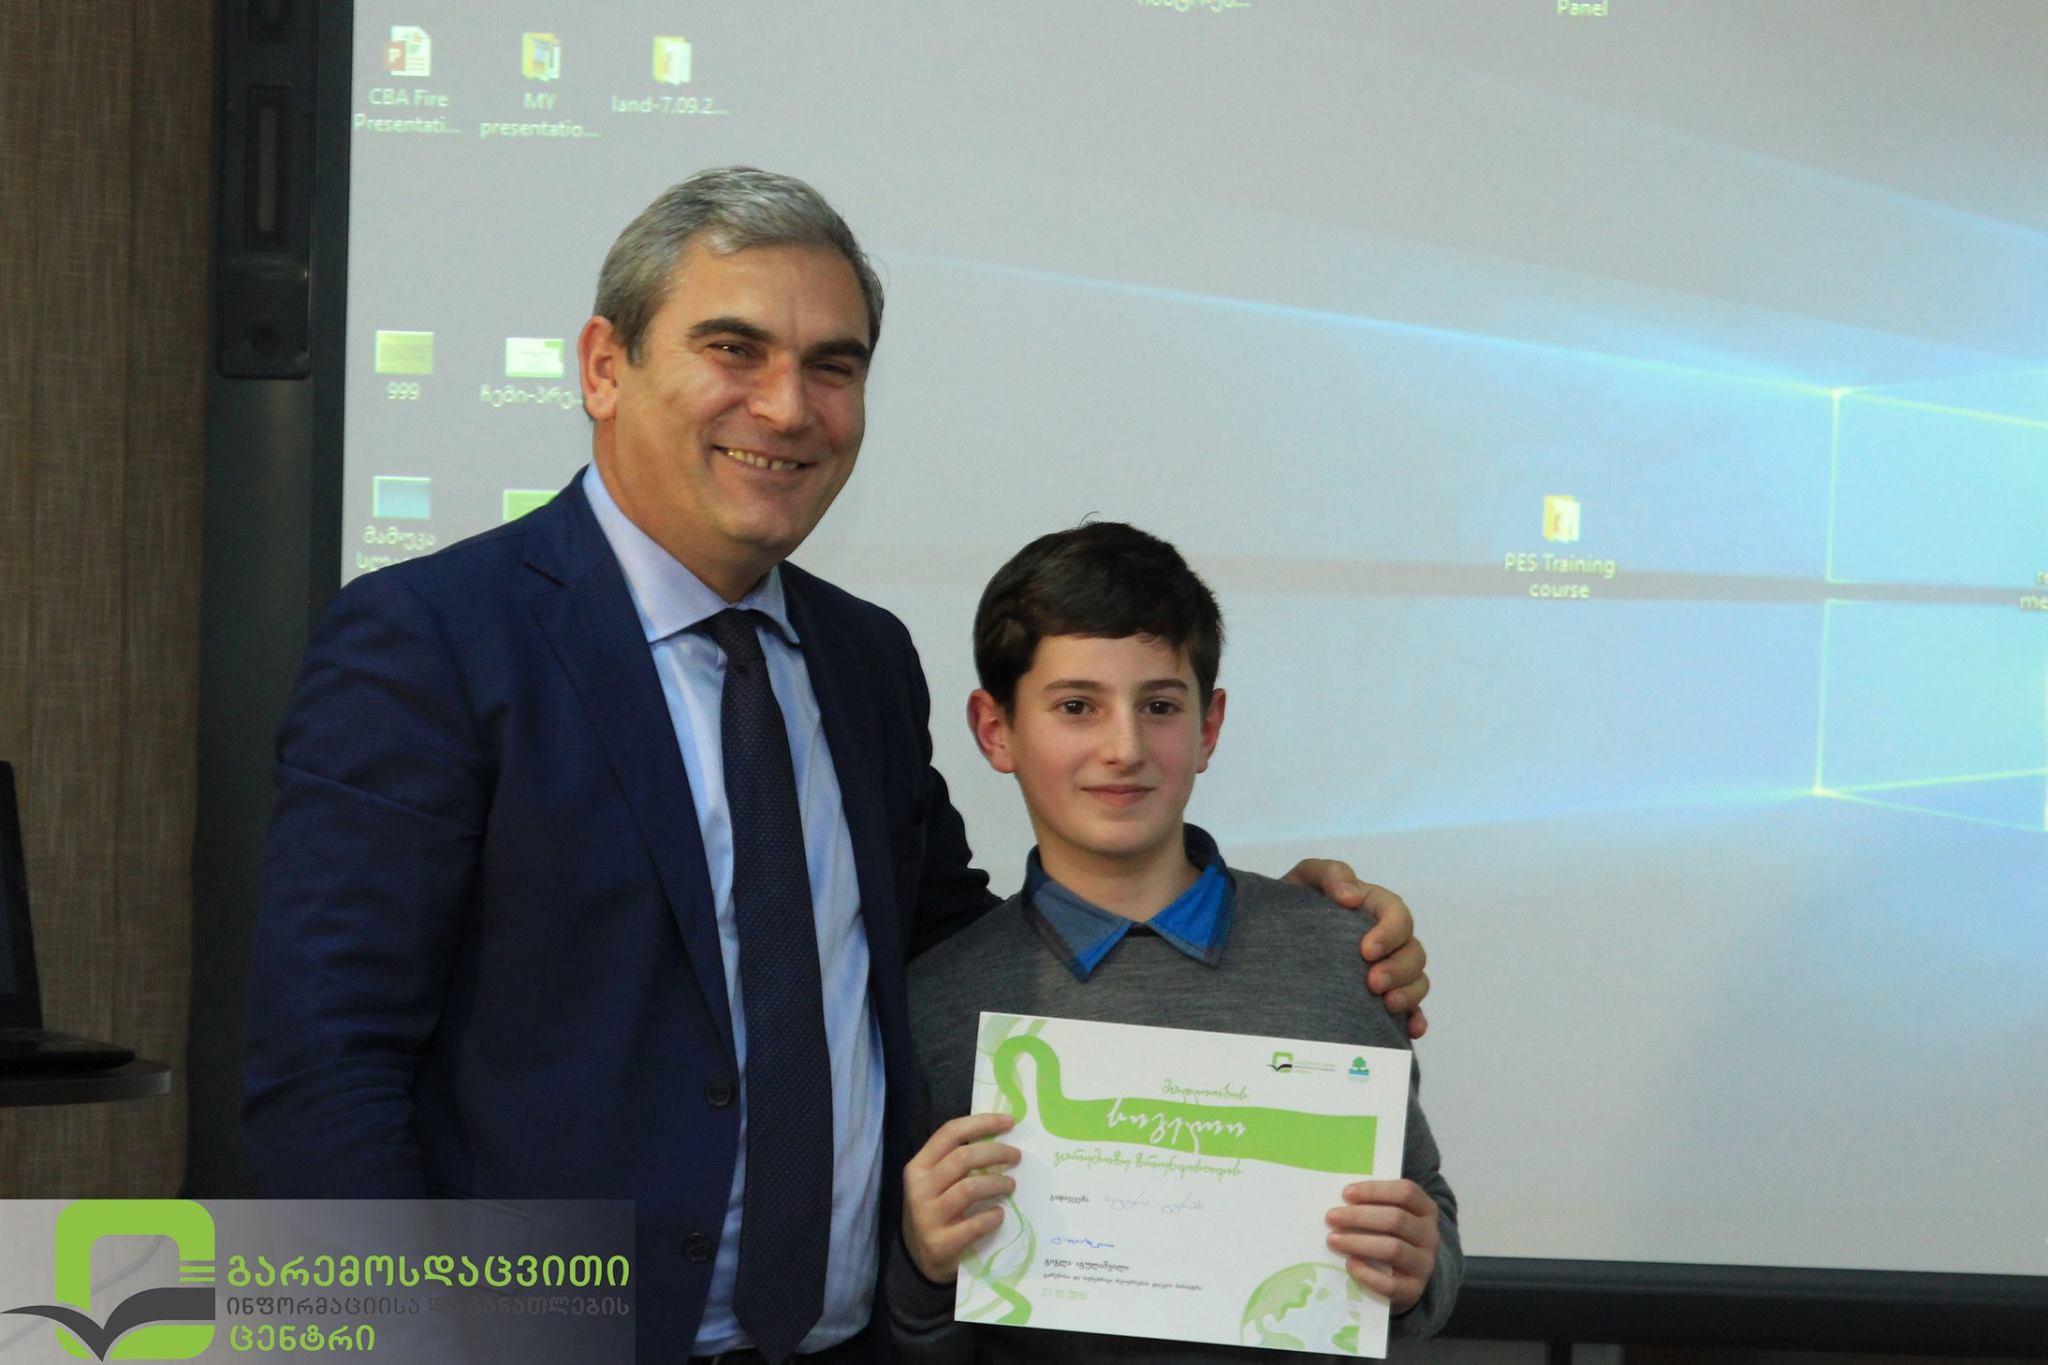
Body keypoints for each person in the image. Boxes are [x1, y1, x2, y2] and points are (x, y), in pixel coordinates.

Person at [242, 167, 1431, 1364]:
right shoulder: (431, 641)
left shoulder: (862, 658)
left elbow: (958, 951)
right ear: (604, 366)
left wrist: (1276, 931)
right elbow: (324, 1065)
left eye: (832, 367)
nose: (787, 406)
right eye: (733, 349)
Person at [888, 522, 1459, 1362]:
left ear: (1208, 725)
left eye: (1159, 705)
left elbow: (1426, 1215)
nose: (1123, 748)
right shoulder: (933, 1002)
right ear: (995, 728)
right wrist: (920, 1264)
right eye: (1076, 706)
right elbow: (917, 1331)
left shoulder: (1342, 958)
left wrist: (1418, 1268)